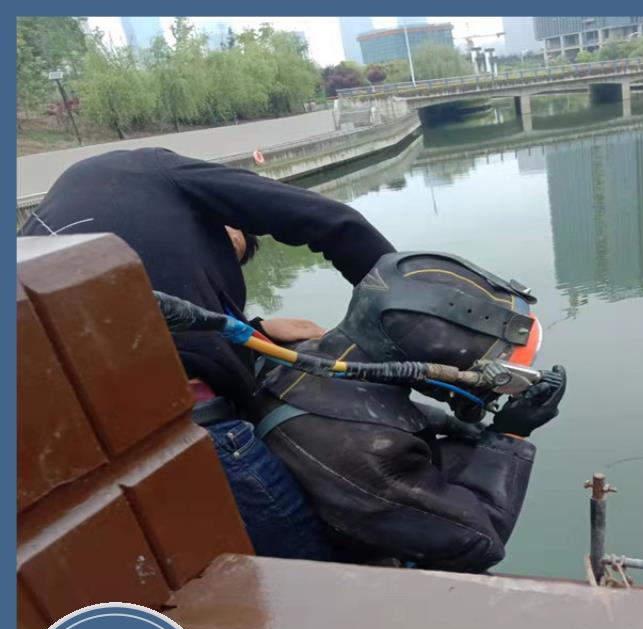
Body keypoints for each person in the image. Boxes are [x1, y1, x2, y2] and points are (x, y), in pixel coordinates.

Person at [19, 147, 396, 559]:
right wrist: (401, 303)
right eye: (232, 248)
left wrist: (256, 331)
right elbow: (326, 219)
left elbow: (131, 316)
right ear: (223, 218)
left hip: (54, 456)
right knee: (321, 567)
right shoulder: (151, 168)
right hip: (184, 424)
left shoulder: (52, 227)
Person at [254, 251, 567, 573]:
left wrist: (453, 424)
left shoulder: (302, 360)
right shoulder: (366, 457)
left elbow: (370, 405)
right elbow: (479, 542)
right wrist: (511, 435)